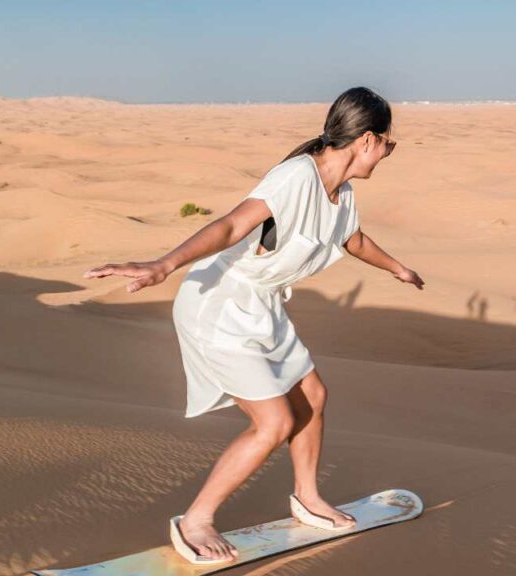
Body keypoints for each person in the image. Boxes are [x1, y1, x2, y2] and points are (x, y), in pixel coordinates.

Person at [83, 86, 425, 564]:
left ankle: (307, 496)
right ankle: (195, 520)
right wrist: (163, 265)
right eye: (389, 143)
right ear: (367, 140)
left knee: (314, 396)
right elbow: (229, 226)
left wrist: (396, 268)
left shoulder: (341, 194)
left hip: (261, 306)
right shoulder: (295, 177)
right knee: (274, 422)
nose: (389, 153)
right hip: (219, 306)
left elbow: (353, 239)